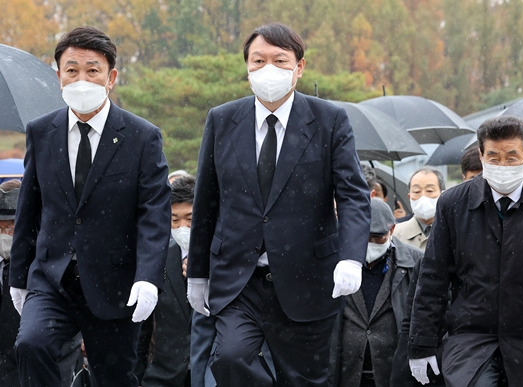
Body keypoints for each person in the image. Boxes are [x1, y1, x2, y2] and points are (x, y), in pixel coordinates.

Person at [187, 23, 371, 386]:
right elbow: (206, 200)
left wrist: (351, 256)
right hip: (240, 277)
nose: (267, 68)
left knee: (305, 378)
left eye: (279, 59)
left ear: (299, 67)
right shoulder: (222, 120)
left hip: (308, 276)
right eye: (258, 60)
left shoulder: (329, 121)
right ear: (247, 66)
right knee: (230, 359)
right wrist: (198, 272)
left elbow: (352, 194)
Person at [10, 26, 171, 387]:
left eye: (92, 70)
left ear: (111, 77)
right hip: (53, 277)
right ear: (58, 76)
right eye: (72, 70)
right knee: (31, 344)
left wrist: (147, 277)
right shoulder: (42, 131)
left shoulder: (142, 136)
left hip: (115, 281)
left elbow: (153, 214)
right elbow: (30, 206)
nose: (81, 79)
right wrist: (18, 275)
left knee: (114, 375)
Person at [408, 115, 523, 386]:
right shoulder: (454, 204)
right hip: (472, 341)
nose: (503, 165)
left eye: (512, 157)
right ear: (482, 156)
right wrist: (421, 343)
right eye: (494, 158)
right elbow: (433, 278)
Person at [0, 180, 82, 386]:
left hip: (31, 375)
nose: (3, 237)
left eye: (11, 228)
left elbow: (67, 338)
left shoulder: (54, 260)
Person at [329, 198, 423, 386]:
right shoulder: (337, 263)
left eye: (377, 238)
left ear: (392, 230)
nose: (370, 243)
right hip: (346, 373)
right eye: (365, 237)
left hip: (395, 373)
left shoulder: (415, 262)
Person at [137, 176, 194, 386]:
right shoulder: (158, 260)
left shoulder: (223, 261)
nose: (183, 227)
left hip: (210, 374)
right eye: (175, 220)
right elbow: (142, 330)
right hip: (164, 376)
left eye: (190, 218)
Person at [393, 167, 445, 251]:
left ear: (443, 194)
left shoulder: (454, 231)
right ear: (409, 197)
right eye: (417, 191)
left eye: (430, 191)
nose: (423, 197)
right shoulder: (396, 234)